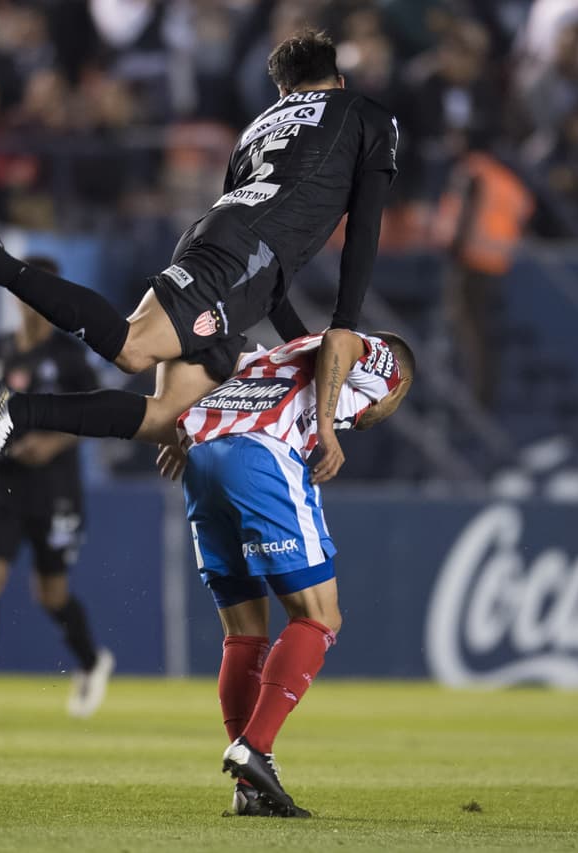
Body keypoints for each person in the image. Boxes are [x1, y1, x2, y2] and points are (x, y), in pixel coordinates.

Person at [0, 29, 399, 487]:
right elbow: (365, 224)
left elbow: (262, 265)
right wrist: (344, 325)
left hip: (229, 248)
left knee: (170, 419)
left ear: (282, 93)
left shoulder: (256, 129)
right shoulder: (366, 114)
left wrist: (307, 343)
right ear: (339, 81)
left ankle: (14, 408)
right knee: (131, 350)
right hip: (243, 257)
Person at [176, 328, 414, 817]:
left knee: (243, 632)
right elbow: (343, 341)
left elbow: (213, 367)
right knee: (320, 617)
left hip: (202, 459)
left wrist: (180, 428)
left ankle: (249, 788)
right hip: (262, 458)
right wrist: (327, 429)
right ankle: (255, 749)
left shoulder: (279, 354)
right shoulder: (385, 365)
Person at [0, 257, 114, 728]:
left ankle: (92, 660)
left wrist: (51, 441)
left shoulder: (70, 357)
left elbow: (98, 416)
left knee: (50, 593)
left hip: (55, 489)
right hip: (5, 486)